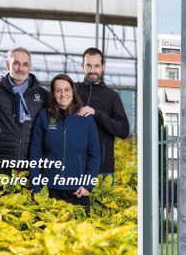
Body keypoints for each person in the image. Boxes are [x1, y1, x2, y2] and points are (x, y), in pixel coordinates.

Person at [29, 74, 100, 211]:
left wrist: (88, 185)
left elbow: (94, 155)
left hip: (78, 190)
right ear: (53, 94)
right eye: (58, 90)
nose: (63, 94)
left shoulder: (86, 118)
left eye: (67, 89)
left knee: (80, 231)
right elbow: (35, 153)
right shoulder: (44, 116)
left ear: (73, 92)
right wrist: (36, 186)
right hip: (49, 189)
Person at [0, 47, 49, 171]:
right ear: (7, 64)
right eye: (16, 63)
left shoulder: (43, 95)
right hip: (3, 163)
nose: (21, 68)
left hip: (31, 164)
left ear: (30, 67)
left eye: (25, 64)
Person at [75, 47, 130, 177]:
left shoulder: (112, 97)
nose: (92, 70)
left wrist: (96, 113)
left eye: (96, 66)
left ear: (103, 67)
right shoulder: (73, 90)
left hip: (103, 170)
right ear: (82, 66)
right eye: (88, 65)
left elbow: (124, 131)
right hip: (75, 166)